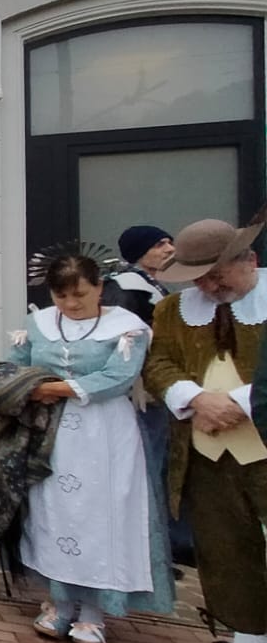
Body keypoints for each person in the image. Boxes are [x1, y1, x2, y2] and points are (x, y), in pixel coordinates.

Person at [2, 250, 172, 643]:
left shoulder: (124, 327)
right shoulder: (40, 323)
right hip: (52, 433)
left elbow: (119, 375)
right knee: (53, 511)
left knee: (100, 514)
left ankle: (94, 612)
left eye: (80, 294)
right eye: (62, 297)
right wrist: (18, 387)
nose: (72, 304)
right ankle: (59, 602)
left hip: (103, 431)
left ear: (98, 288)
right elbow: (17, 363)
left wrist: (55, 388)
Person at [145, 218, 267, 643]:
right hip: (205, 449)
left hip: (260, 443)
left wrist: (238, 401)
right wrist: (193, 398)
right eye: (201, 277)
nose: (210, 285)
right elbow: (158, 363)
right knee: (224, 549)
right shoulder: (174, 312)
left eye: (219, 275)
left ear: (249, 260)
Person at [112, 224, 192, 566]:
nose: (168, 248)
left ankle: (164, 544)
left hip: (162, 389)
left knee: (161, 464)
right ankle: (147, 550)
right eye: (160, 244)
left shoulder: (152, 285)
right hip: (143, 392)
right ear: (140, 252)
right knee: (148, 463)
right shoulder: (129, 288)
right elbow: (129, 339)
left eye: (169, 241)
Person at [111, 225, 174, 324]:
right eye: (159, 245)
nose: (170, 249)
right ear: (139, 252)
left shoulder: (153, 283)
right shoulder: (127, 287)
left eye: (170, 243)